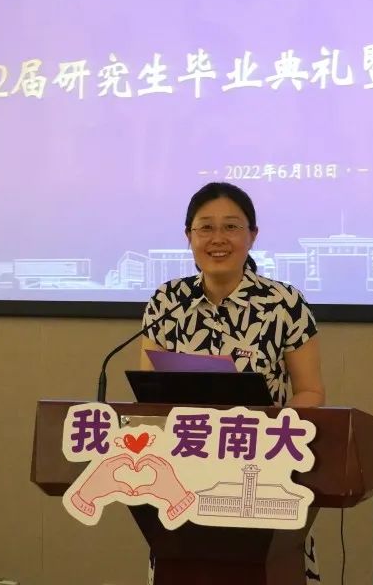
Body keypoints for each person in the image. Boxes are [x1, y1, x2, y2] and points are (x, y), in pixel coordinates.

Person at [140, 181, 325, 582]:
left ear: (252, 236)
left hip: (263, 471)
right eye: (205, 227)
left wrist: (272, 429)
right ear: (189, 236)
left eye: (231, 227)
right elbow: (149, 394)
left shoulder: (284, 304)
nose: (218, 239)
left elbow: (311, 392)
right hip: (184, 472)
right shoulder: (167, 302)